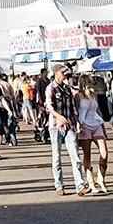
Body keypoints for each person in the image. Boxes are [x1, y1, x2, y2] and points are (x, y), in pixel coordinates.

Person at [44, 65, 85, 196]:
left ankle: (80, 186)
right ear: (56, 73)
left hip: (69, 125)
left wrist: (77, 121)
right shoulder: (51, 88)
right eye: (62, 73)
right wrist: (58, 116)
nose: (64, 75)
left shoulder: (67, 88)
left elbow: (73, 107)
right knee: (56, 156)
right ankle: (59, 185)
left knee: (75, 156)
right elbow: (49, 106)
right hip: (55, 126)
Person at [75, 81, 110, 195]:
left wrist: (103, 127)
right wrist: (77, 124)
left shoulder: (94, 95)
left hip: (96, 123)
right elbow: (75, 112)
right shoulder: (78, 96)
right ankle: (91, 182)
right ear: (84, 84)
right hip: (84, 125)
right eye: (89, 82)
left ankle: (101, 179)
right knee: (87, 154)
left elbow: (98, 111)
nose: (92, 85)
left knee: (104, 152)